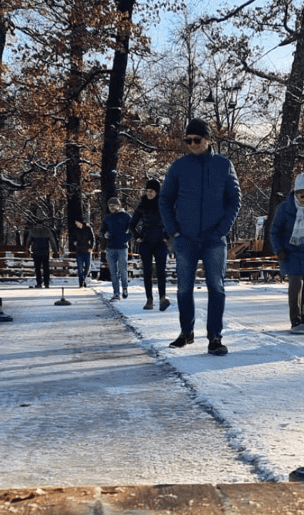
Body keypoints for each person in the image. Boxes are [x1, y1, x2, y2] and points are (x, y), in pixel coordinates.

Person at [159, 117, 241, 356]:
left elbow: (234, 199)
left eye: (197, 139)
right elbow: (165, 199)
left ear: (208, 139)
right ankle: (187, 332)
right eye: (188, 140)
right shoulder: (178, 167)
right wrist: (174, 231)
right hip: (185, 238)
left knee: (216, 287)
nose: (192, 144)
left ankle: (215, 337)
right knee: (184, 288)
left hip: (214, 238)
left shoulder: (224, 165)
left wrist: (222, 229)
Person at [270, 172, 304, 334]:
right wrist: (278, 249)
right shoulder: (284, 208)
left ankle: (302, 318)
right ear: (295, 193)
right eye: (301, 194)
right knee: (296, 285)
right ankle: (295, 320)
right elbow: (274, 232)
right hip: (290, 252)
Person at [130, 178, 171, 311]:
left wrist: (167, 237)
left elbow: (171, 221)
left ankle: (162, 298)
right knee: (147, 272)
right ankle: (149, 300)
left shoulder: (163, 204)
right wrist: (137, 237)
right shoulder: (142, 205)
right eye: (147, 191)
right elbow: (132, 224)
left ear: (157, 192)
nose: (149, 193)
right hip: (146, 242)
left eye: (151, 191)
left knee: (161, 272)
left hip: (160, 242)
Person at [102, 197, 132, 301]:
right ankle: (116, 293)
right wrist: (104, 234)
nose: (111, 208)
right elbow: (102, 230)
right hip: (110, 248)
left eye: (113, 206)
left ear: (118, 205)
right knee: (113, 272)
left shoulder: (126, 216)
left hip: (122, 247)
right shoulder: (108, 218)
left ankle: (124, 288)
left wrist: (125, 238)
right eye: (110, 206)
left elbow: (133, 230)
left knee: (123, 270)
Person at [24, 216, 59, 289]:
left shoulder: (33, 231)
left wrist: (27, 249)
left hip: (36, 252)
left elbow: (28, 242)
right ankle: (46, 283)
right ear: (43, 223)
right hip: (45, 252)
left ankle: (39, 283)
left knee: (37, 268)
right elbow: (52, 242)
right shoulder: (47, 231)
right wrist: (55, 251)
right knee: (46, 268)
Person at [71, 215, 95, 288]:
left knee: (87, 268)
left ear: (80, 222)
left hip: (87, 251)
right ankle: (81, 283)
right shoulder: (75, 230)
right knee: (80, 268)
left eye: (76, 222)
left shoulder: (88, 228)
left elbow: (93, 239)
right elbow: (72, 239)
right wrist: (75, 245)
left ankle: (83, 279)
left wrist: (91, 247)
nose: (75, 223)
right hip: (79, 252)